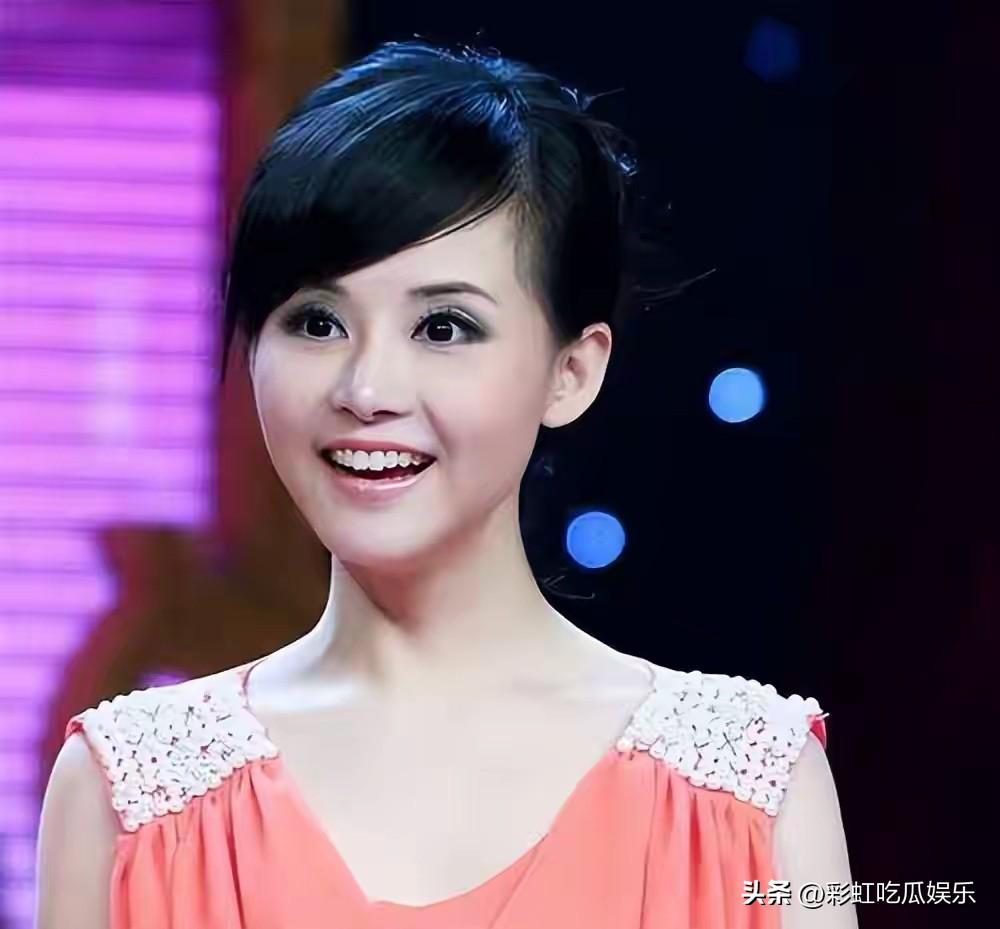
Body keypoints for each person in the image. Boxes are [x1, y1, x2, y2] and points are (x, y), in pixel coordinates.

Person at [35, 39, 856, 929]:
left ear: (571, 371)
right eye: (316, 321)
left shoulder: (754, 792)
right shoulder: (125, 798)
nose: (366, 390)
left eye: (444, 327)